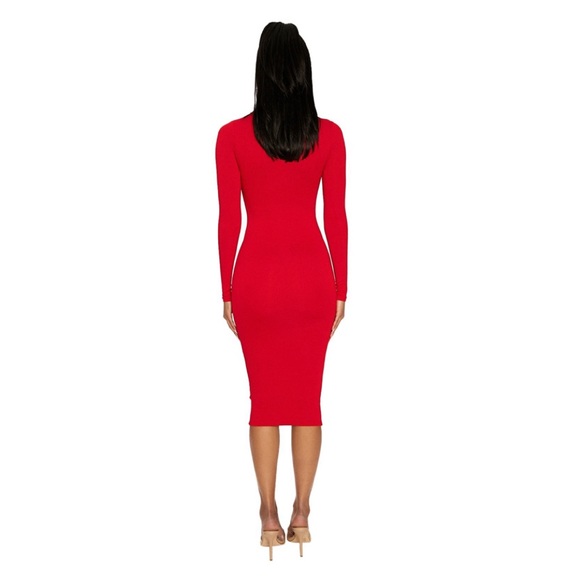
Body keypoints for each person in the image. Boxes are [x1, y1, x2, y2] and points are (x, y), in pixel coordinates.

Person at [215, 21, 348, 561]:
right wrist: (342, 288)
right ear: (303, 72)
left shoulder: (231, 137)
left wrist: (226, 288)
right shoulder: (329, 136)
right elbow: (335, 217)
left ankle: (268, 514)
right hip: (313, 279)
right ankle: (302, 512)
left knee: (264, 401)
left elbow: (228, 219)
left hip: (256, 281)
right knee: (308, 400)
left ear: (261, 71)